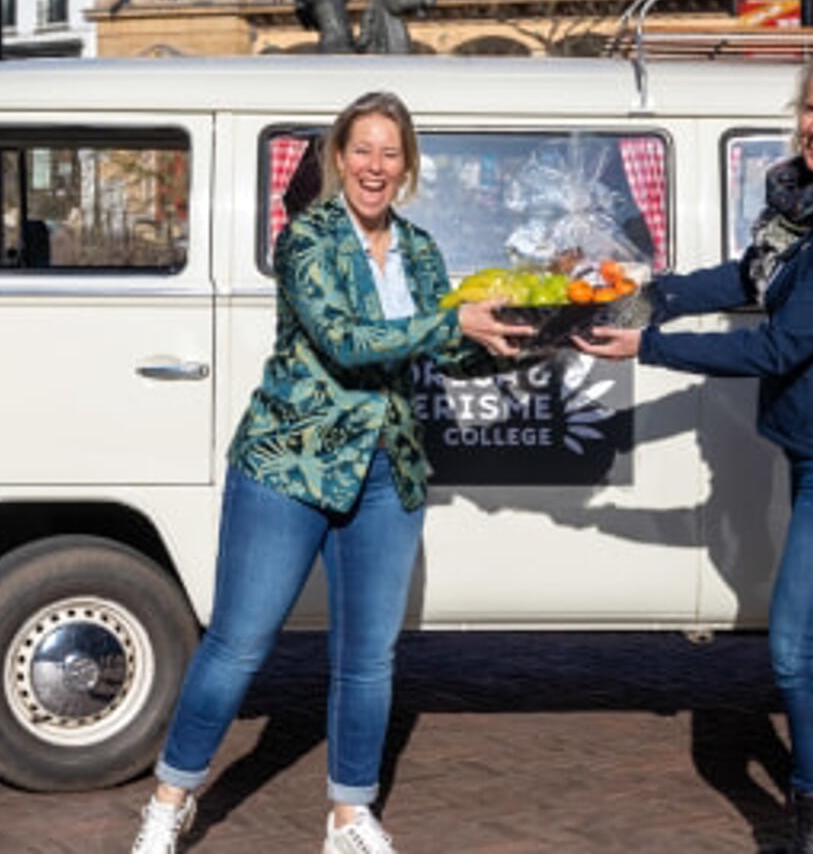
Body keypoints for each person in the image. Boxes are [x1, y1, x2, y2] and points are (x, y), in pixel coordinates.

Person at [131, 92, 532, 854]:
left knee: (367, 657)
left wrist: (530, 331)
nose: (374, 167)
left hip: (387, 473)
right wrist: (452, 319)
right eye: (362, 150)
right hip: (290, 465)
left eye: (390, 153)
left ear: (406, 166)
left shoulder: (417, 249)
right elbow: (347, 340)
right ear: (338, 158)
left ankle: (348, 815)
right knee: (239, 643)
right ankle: (170, 797)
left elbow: (444, 351)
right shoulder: (306, 237)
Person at [575, 46, 813, 854]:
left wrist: (648, 347)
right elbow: (752, 276)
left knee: (797, 644)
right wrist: (653, 291)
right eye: (810, 108)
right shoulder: (804, 200)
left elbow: (779, 345)